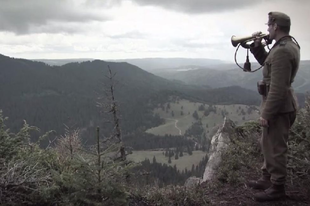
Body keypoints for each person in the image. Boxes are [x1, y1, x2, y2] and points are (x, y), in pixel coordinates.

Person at [246, 11, 301, 202]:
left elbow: (278, 87)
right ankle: (266, 178)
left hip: (279, 106)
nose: (267, 29)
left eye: (269, 25)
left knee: (276, 147)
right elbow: (269, 66)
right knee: (268, 144)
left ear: (276, 26)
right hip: (280, 105)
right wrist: (257, 47)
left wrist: (267, 113)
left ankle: (277, 187)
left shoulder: (283, 50)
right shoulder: (283, 47)